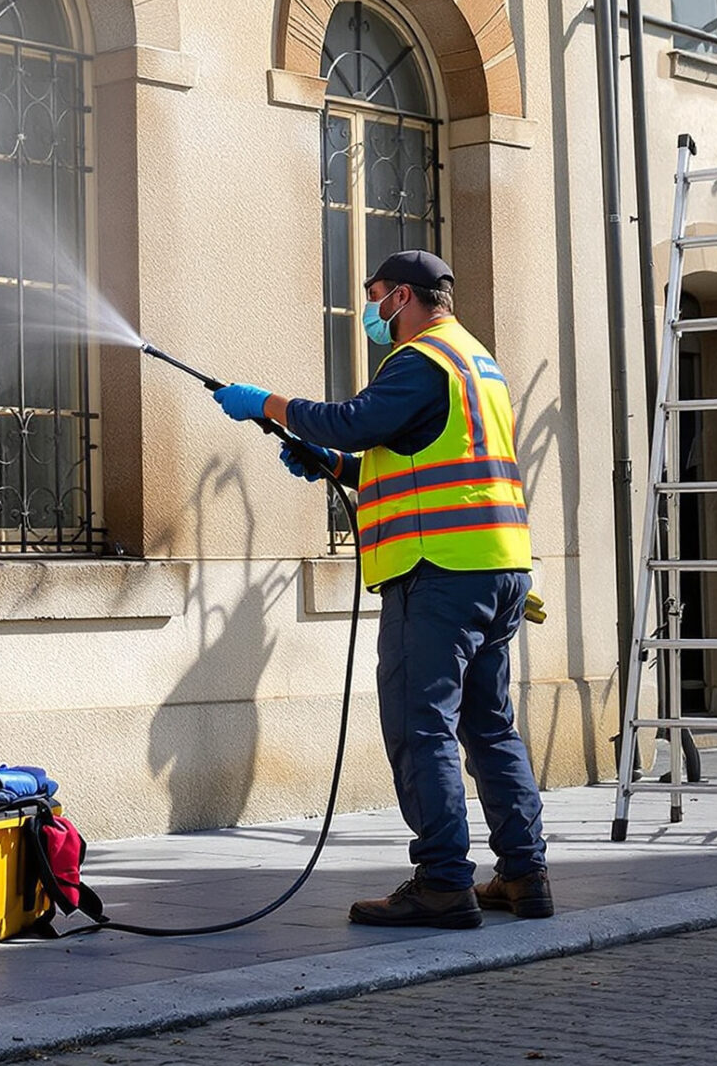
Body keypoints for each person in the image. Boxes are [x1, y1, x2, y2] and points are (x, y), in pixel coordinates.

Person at [208, 249, 551, 928]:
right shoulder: (478, 364)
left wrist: (267, 403)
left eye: (376, 296)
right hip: (496, 566)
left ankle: (444, 881)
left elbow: (355, 418)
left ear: (403, 296)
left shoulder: (421, 360)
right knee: (488, 723)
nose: (372, 311)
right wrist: (332, 463)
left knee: (420, 724)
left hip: (439, 572)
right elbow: (420, 458)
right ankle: (524, 874)